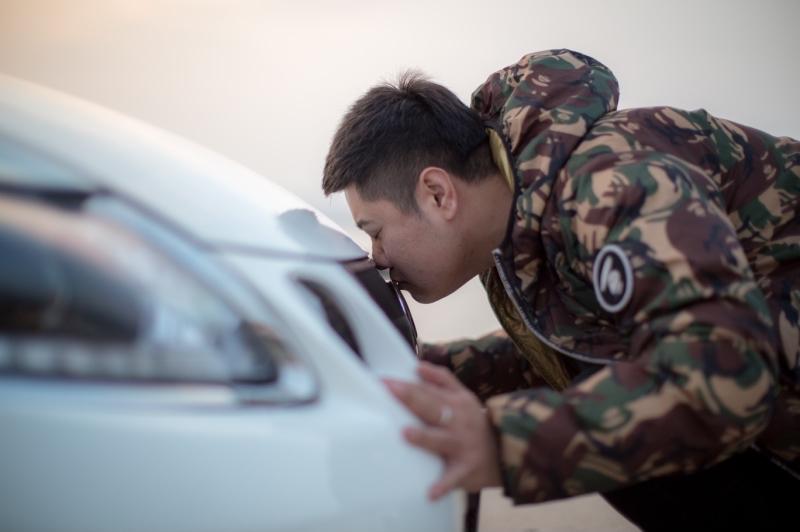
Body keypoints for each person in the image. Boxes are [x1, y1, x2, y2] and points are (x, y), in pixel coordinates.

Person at [322, 49, 800, 530]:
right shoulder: (512, 229)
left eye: (375, 230)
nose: (376, 257)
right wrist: (405, 377)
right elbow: (571, 354)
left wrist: (498, 443)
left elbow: (726, 374)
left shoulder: (613, 184)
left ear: (438, 194)